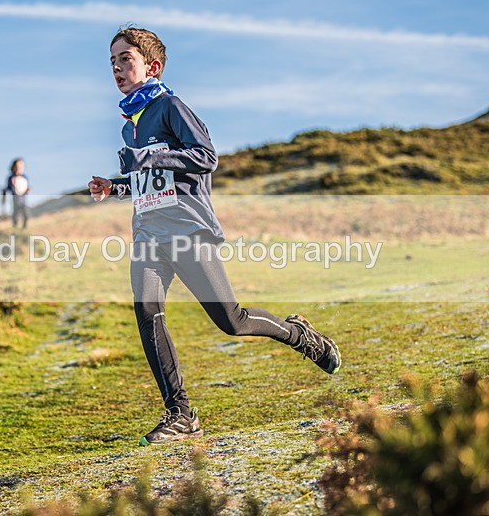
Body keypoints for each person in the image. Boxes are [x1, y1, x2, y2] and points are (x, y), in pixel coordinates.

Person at [88, 27, 341, 446]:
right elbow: (151, 180)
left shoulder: (170, 106)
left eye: (125, 58)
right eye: (111, 61)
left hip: (188, 230)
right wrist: (115, 187)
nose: (116, 67)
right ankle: (181, 414)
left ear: (151, 66)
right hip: (149, 233)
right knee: (148, 315)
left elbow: (206, 157)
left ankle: (300, 335)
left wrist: (148, 154)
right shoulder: (128, 126)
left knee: (232, 321)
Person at [2, 157, 30, 228]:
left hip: (23, 198)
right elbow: (8, 188)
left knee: (26, 214)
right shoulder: (11, 177)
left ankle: (24, 229)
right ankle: (15, 229)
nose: (20, 168)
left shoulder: (24, 177)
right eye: (18, 166)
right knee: (16, 214)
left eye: (22, 166)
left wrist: (27, 189)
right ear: (14, 167)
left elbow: (24, 187)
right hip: (16, 198)